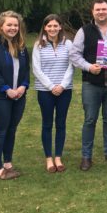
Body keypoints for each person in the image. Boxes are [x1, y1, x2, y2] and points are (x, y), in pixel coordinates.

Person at [70, 0, 107, 171]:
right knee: (90, 119)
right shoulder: (84, 31)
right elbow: (74, 54)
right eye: (98, 9)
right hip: (92, 83)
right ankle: (86, 156)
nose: (101, 12)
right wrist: (88, 67)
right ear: (92, 12)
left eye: (104, 9)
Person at [0, 11, 29, 180]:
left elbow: (25, 71)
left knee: (11, 129)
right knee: (0, 131)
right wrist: (6, 89)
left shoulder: (21, 47)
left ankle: (8, 163)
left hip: (18, 96)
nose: (13, 28)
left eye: (15, 25)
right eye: (9, 25)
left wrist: (23, 86)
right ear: (1, 26)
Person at [32, 14, 74, 173]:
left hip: (65, 90)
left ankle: (58, 157)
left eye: (55, 26)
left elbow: (71, 66)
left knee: (61, 123)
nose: (52, 29)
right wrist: (51, 86)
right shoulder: (38, 45)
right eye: (49, 26)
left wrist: (62, 85)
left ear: (60, 27)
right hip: (45, 91)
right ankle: (49, 158)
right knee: (47, 123)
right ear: (44, 27)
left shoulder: (68, 44)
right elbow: (37, 69)